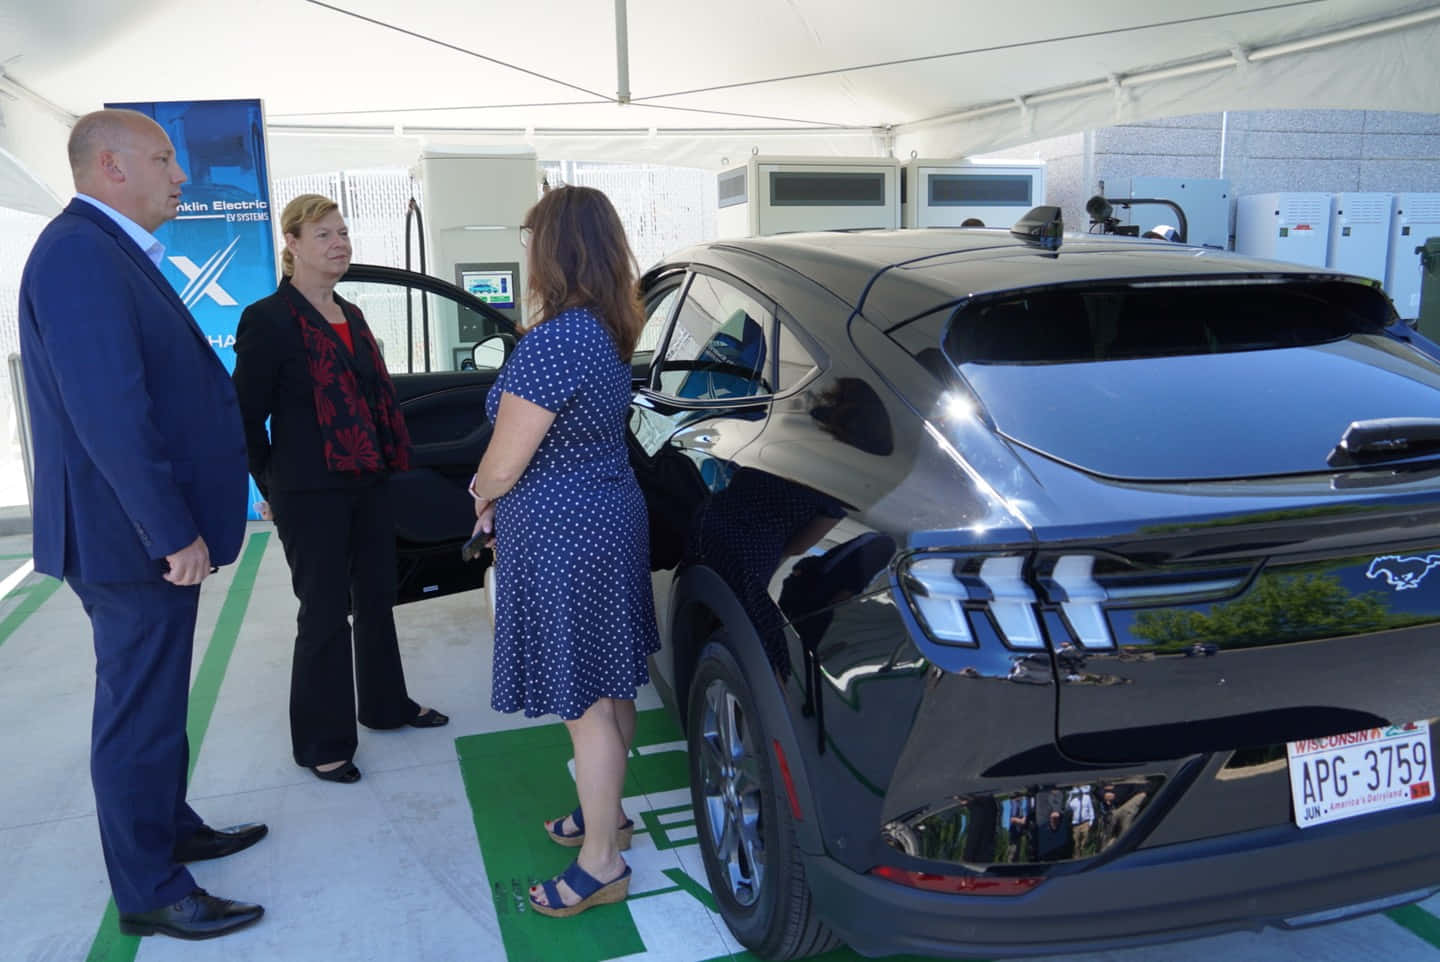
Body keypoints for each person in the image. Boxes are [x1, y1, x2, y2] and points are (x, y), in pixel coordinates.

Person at [17, 108, 265, 940]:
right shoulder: (82, 254)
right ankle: (151, 888)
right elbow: (110, 416)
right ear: (112, 167)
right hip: (128, 539)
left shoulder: (100, 249)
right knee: (138, 713)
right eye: (165, 159)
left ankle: (167, 828)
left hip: (130, 532)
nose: (182, 175)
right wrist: (170, 531)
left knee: (155, 702)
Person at [468, 185, 659, 918]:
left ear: (554, 249)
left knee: (584, 701)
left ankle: (600, 860)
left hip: (561, 534)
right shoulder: (607, 330)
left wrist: (483, 492)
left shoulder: (553, 341)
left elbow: (506, 464)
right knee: (613, 683)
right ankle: (604, 815)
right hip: (607, 517)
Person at [232, 194, 447, 785]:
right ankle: (322, 742)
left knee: (377, 600)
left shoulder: (349, 312)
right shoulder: (268, 318)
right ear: (293, 245)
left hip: (368, 480)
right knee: (324, 614)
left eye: (343, 232)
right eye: (324, 233)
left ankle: (385, 705)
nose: (339, 243)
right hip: (308, 490)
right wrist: (267, 483)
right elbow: (243, 416)